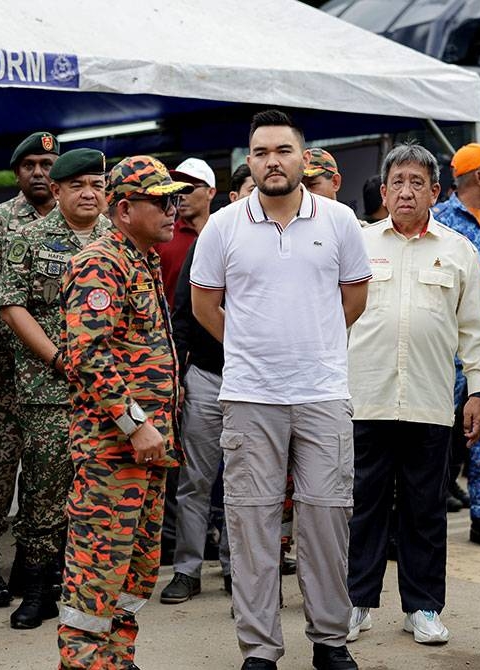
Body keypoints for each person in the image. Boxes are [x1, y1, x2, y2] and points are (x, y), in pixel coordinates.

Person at [191, 109, 371, 670]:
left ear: (303, 158)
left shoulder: (339, 221)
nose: (273, 161)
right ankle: (261, 650)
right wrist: (250, 345)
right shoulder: (224, 226)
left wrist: (313, 342)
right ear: (249, 161)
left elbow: (355, 297)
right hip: (249, 396)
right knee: (251, 524)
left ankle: (330, 642)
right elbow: (203, 304)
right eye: (262, 152)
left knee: (326, 517)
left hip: (321, 393)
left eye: (283, 151)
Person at [345, 142, 480, 646]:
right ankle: (357, 602)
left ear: (435, 192)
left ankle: (424, 607)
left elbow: (474, 331)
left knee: (424, 509)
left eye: (417, 183)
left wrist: (477, 391)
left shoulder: (458, 251)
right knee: (364, 504)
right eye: (397, 182)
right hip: (364, 398)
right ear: (383, 192)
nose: (406, 191)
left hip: (430, 401)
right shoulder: (357, 245)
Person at [57, 155, 192, 669]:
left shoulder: (142, 259)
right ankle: (82, 662)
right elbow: (88, 355)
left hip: (148, 449)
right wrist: (135, 425)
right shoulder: (101, 261)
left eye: (174, 199)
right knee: (97, 569)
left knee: (137, 568)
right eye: (160, 201)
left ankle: (116, 660)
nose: (171, 209)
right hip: (113, 448)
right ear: (123, 208)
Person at [0, 148, 112, 629]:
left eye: (97, 185)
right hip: (50, 388)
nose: (89, 193)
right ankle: (38, 588)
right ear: (59, 191)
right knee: (45, 490)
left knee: (101, 492)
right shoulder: (27, 238)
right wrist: (56, 358)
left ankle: (83, 591)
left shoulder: (120, 239)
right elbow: (11, 305)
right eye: (78, 185)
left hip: (109, 391)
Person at [0, 130, 59, 608]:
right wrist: (41, 347)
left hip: (57, 375)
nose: (39, 173)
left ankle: (30, 562)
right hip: (4, 372)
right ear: (17, 173)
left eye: (47, 164)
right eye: (30, 166)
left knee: (47, 467)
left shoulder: (77, 222)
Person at [160, 168, 254, 605]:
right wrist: (177, 380)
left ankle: (237, 570)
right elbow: (182, 316)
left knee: (245, 484)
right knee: (195, 481)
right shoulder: (209, 242)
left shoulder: (278, 247)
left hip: (254, 383)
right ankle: (186, 570)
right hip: (206, 379)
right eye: (250, 191)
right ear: (234, 196)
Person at [431, 142, 480, 544]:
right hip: (444, 351)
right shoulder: (438, 220)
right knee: (436, 437)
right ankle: (425, 515)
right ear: (479, 175)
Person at [157, 157, 216, 307]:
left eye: (189, 188)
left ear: (211, 192)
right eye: (178, 189)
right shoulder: (161, 238)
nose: (181, 195)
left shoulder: (224, 235)